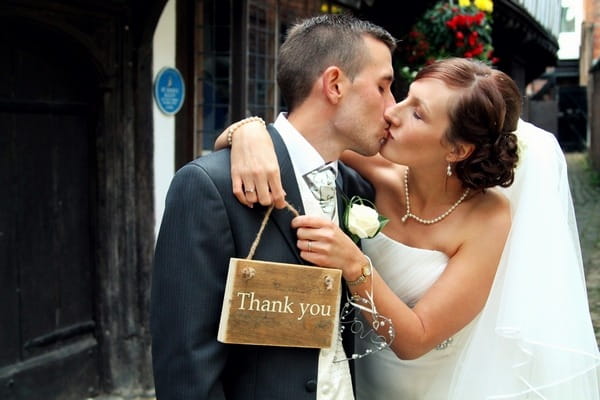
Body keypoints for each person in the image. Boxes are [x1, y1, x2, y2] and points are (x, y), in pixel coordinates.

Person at [218, 58, 600, 398]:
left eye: (418, 114)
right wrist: (248, 132)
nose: (392, 113)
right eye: (404, 96)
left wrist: (356, 266)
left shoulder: (488, 217)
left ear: (457, 150)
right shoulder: (376, 167)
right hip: (353, 381)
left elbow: (416, 338)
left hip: (439, 386)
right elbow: (292, 139)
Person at [150, 14, 397, 400]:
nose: (392, 107)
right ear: (334, 84)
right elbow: (185, 365)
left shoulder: (356, 186)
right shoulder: (209, 186)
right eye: (383, 87)